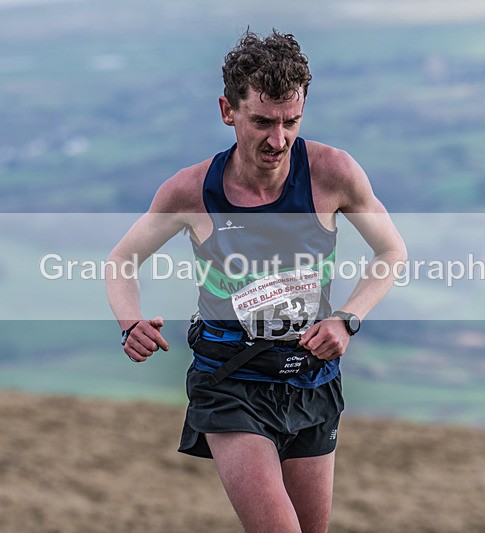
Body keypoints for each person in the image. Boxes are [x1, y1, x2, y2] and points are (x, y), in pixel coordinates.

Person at [106, 29, 406, 533]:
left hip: (311, 378)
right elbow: (121, 260)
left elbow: (391, 251)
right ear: (228, 110)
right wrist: (128, 320)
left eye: (292, 121)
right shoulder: (191, 191)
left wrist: (346, 319)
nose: (279, 139)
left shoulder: (332, 174)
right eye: (262, 122)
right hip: (230, 383)